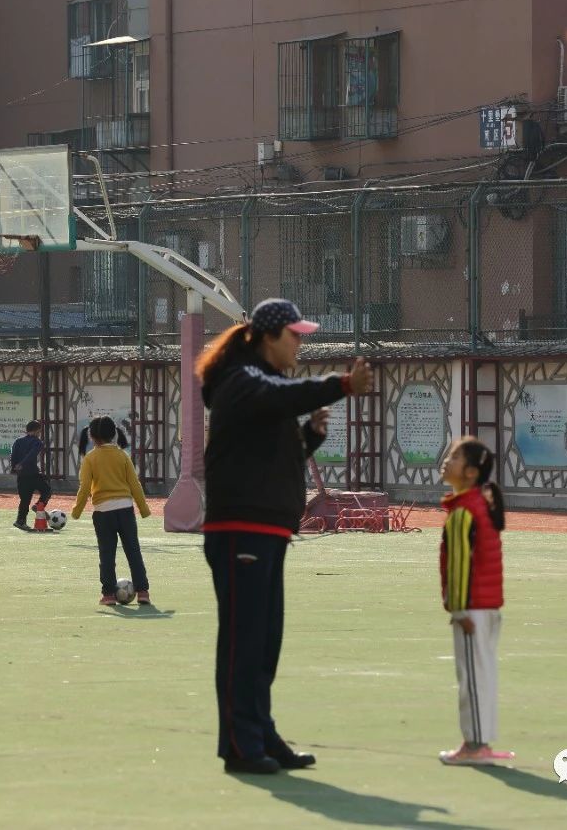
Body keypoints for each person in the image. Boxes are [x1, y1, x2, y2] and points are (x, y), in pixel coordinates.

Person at [197, 297, 372, 775]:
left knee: (263, 641)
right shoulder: (243, 381)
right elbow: (280, 398)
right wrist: (340, 385)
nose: (300, 342)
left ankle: (259, 732)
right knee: (244, 640)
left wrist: (308, 439)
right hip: (240, 531)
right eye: (294, 334)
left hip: (265, 530)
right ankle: (240, 744)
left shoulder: (260, 385)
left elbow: (275, 455)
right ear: (267, 337)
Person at [436, 436, 514, 766]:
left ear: (469, 473)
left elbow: (459, 565)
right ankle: (480, 740)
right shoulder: (478, 506)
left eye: (453, 457)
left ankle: (475, 745)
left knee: (471, 676)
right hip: (487, 606)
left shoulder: (463, 512)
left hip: (472, 608)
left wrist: (458, 608)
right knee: (482, 673)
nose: (446, 460)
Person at [71, 416, 151, 605]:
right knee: (134, 552)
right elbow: (134, 484)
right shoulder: (123, 455)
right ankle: (143, 592)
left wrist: (77, 510)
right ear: (114, 433)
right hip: (125, 510)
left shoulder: (90, 458)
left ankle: (108, 595)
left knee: (107, 554)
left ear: (91, 436)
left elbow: (85, 487)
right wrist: (144, 509)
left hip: (102, 512)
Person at [10, 420, 52, 530]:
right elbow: (32, 454)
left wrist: (14, 467)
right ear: (37, 430)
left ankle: (20, 521)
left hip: (22, 475)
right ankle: (39, 505)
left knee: (25, 499)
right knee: (47, 490)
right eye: (39, 431)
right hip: (32, 473)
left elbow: (13, 455)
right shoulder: (38, 442)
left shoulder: (18, 441)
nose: (40, 433)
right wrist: (22, 464)